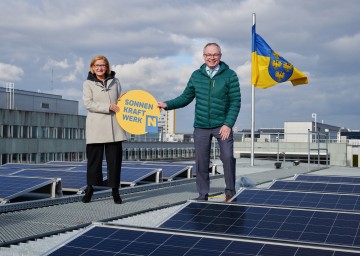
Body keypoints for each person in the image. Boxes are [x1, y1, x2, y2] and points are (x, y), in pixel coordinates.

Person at [158, 43, 241, 202]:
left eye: (215, 54)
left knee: (228, 157)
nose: (212, 57)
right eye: (208, 55)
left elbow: (235, 102)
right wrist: (167, 105)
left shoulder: (230, 75)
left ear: (220, 56)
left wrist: (228, 124)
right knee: (201, 161)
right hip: (201, 127)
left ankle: (230, 191)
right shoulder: (196, 75)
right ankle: (203, 194)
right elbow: (185, 97)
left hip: (222, 125)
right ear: (204, 57)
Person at [82, 55, 127, 204]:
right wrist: (107, 107)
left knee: (115, 161)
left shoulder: (116, 82)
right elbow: (89, 104)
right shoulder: (88, 84)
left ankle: (115, 191)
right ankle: (90, 188)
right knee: (94, 161)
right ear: (92, 68)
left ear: (107, 67)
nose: (100, 68)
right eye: (96, 65)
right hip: (96, 127)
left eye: (102, 65)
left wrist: (124, 99)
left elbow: (119, 102)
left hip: (114, 127)